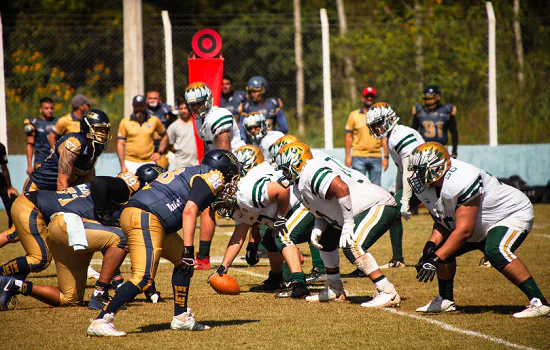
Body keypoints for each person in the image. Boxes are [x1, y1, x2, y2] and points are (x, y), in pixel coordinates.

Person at [85, 149, 240, 336]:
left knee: (183, 263)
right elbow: (189, 210)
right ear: (223, 169)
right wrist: (190, 250)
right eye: (232, 176)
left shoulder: (193, 171)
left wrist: (186, 255)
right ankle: (101, 320)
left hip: (146, 216)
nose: (231, 183)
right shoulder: (214, 176)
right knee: (143, 278)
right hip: (146, 217)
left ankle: (181, 317)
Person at [408, 142, 549, 318]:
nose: (417, 175)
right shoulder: (431, 185)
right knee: (441, 249)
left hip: (509, 214)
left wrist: (436, 259)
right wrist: (431, 246)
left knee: (495, 250)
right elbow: (444, 221)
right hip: (478, 222)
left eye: (421, 170)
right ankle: (445, 299)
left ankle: (539, 302)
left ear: (437, 168)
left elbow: (464, 231)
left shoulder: (462, 179)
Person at [275, 142, 401, 307]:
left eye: (286, 168)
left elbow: (341, 188)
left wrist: (348, 223)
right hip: (357, 210)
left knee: (353, 245)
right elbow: (322, 209)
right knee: (326, 241)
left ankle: (387, 291)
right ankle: (335, 288)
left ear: (298, 163)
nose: (284, 174)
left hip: (377, 204)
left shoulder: (311, 171)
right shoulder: (299, 185)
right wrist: (318, 227)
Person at [211, 145, 313, 299]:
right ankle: (276, 279)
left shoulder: (247, 191)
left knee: (281, 237)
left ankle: (299, 284)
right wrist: (223, 268)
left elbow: (283, 188)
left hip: (300, 203)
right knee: (270, 241)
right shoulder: (239, 198)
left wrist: (280, 216)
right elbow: (238, 236)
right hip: (288, 207)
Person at [184, 82, 245, 269]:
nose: (196, 108)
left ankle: (276, 250)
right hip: (220, 165)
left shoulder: (219, 116)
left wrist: (222, 179)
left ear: (208, 99)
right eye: (193, 105)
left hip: (238, 166)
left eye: (199, 103)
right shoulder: (200, 120)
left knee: (254, 213)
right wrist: (205, 169)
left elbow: (225, 151)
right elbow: (208, 147)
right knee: (207, 205)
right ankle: (203, 258)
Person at [366, 102, 425, 268]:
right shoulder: (392, 137)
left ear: (389, 118)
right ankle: (397, 259)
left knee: (447, 218)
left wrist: (404, 199)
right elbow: (401, 170)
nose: (376, 128)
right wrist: (398, 193)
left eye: (378, 123)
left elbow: (409, 169)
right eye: (373, 125)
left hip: (426, 180)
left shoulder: (400, 135)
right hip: (419, 180)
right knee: (393, 209)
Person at [26, 109, 111, 192]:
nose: (103, 132)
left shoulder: (97, 147)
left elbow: (87, 179)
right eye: (99, 128)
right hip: (38, 189)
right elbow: (61, 182)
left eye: (105, 128)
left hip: (54, 192)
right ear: (88, 127)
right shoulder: (75, 143)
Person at [344, 86, 389, 186]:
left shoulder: (380, 116)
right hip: (358, 156)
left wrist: (386, 157)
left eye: (371, 96)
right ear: (362, 98)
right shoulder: (353, 115)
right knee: (359, 186)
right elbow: (348, 136)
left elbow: (384, 137)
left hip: (376, 156)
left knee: (376, 188)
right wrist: (347, 156)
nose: (369, 98)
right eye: (367, 96)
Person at [117, 95, 168, 174]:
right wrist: (122, 165)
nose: (139, 109)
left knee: (151, 186)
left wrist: (159, 153)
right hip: (130, 162)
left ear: (145, 106)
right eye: (136, 106)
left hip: (149, 161)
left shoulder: (154, 120)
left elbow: (165, 136)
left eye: (141, 106)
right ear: (133, 106)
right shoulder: (125, 122)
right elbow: (120, 144)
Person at [412, 85, 458, 158]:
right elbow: (413, 132)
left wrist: (454, 151)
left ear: (437, 97)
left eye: (431, 98)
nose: (428, 101)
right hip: (424, 148)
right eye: (426, 98)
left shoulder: (447, 110)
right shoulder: (419, 110)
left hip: (442, 148)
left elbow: (454, 132)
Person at [240, 76, 288, 142]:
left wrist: (273, 136)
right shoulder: (246, 107)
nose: (253, 94)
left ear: (264, 90)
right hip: (253, 143)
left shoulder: (273, 104)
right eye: (251, 91)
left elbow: (284, 128)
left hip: (271, 141)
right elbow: (243, 133)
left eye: (256, 91)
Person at [24, 97, 57, 175]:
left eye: (51, 108)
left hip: (56, 160)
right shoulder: (34, 123)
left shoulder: (59, 122)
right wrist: (29, 166)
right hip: (41, 160)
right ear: (40, 109)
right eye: (46, 108)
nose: (50, 111)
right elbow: (30, 144)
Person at [166, 97, 199, 168]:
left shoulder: (197, 123)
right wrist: (180, 151)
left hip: (196, 163)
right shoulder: (173, 126)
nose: (184, 111)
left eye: (186, 108)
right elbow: (169, 144)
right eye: (181, 109)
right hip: (180, 164)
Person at [147, 90, 173, 170]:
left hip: (162, 149)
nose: (152, 100)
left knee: (162, 172)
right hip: (147, 149)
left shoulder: (166, 110)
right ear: (146, 100)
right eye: (150, 98)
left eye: (155, 98)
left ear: (160, 99)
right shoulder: (143, 111)